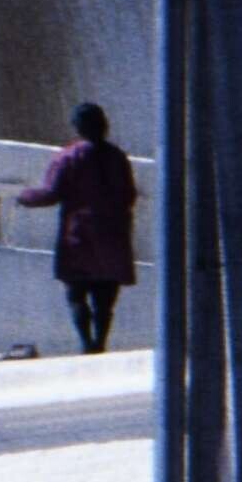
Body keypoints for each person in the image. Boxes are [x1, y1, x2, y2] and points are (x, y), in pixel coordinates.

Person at [28, 100, 139, 352]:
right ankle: (100, 343)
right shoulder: (118, 157)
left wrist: (25, 197)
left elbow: (51, 193)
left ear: (78, 127)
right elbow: (129, 195)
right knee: (105, 301)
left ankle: (86, 344)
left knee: (76, 295)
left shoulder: (68, 157)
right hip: (113, 238)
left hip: (78, 238)